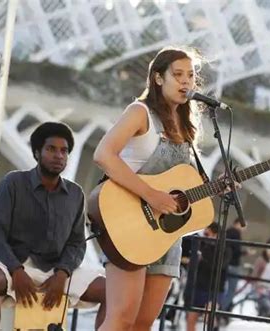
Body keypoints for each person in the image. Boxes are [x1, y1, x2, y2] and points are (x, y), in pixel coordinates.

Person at [93, 46, 218, 331]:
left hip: (167, 234)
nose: (186, 82)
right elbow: (103, 155)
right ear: (158, 78)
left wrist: (216, 189)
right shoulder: (140, 112)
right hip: (130, 226)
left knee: (143, 324)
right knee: (121, 318)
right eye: (178, 74)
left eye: (190, 76)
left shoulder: (187, 126)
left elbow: (182, 185)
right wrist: (151, 195)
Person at [0, 122, 105, 331]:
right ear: (37, 153)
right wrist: (16, 270)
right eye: (51, 149)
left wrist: (62, 274)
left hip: (55, 270)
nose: (59, 156)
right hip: (12, 264)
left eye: (64, 151)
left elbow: (76, 243)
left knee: (110, 292)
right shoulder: (14, 182)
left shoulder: (75, 194)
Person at [182, 222, 231, 331]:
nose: (205, 237)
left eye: (208, 234)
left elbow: (218, 265)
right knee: (190, 318)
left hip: (215, 288)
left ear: (216, 234)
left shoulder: (225, 249)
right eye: (205, 234)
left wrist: (204, 251)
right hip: (199, 286)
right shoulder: (200, 244)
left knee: (209, 318)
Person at [221, 217, 247, 311]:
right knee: (231, 290)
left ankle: (219, 307)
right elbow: (236, 251)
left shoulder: (226, 232)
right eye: (243, 225)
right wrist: (245, 252)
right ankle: (221, 309)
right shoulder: (236, 233)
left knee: (222, 288)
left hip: (224, 264)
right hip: (233, 265)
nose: (244, 228)